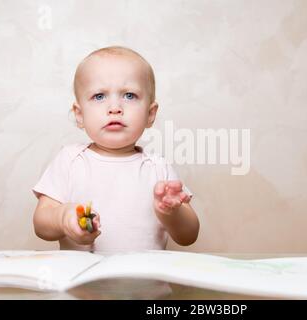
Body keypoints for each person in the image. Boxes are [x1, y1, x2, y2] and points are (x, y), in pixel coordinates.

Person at [32, 46, 199, 252]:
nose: (114, 108)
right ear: (79, 114)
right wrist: (64, 217)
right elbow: (41, 223)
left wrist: (171, 213)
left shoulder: (158, 168)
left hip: (146, 284)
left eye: (129, 95)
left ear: (150, 114)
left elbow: (188, 236)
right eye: (99, 96)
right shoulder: (70, 160)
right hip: (81, 283)